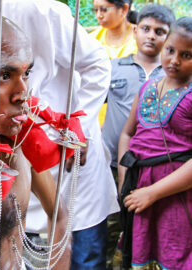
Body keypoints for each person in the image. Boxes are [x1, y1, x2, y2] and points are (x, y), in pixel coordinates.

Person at [0, 1, 120, 269]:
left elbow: (60, 217)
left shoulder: (20, 145)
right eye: (4, 75)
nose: (24, 92)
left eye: (26, 73)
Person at [102, 4, 175, 268]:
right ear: (135, 31)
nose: (151, 36)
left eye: (160, 31)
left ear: (170, 37)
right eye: (145, 29)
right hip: (112, 167)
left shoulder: (173, 75)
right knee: (110, 228)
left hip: (155, 171)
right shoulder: (112, 68)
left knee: (146, 232)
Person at [118, 17, 192, 269]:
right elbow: (128, 134)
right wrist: (124, 178)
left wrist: (153, 192)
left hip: (176, 195)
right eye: (171, 50)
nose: (174, 60)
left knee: (175, 252)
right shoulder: (147, 87)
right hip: (139, 189)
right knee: (141, 251)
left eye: (187, 55)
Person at [90, 0, 138, 127]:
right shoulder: (91, 40)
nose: (99, 15)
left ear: (124, 9)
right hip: (97, 119)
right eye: (95, 10)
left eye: (104, 9)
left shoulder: (140, 39)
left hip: (130, 119)